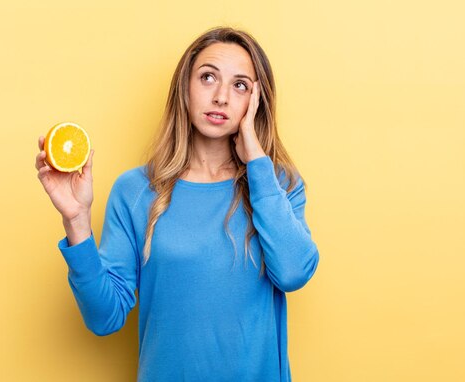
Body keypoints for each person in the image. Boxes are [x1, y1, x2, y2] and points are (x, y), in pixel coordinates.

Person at [35, 26, 320, 382]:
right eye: (208, 77)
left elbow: (294, 272)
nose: (221, 97)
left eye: (240, 85)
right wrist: (76, 220)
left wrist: (258, 163)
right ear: (184, 87)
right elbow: (104, 318)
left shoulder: (277, 185)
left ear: (256, 102)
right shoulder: (136, 190)